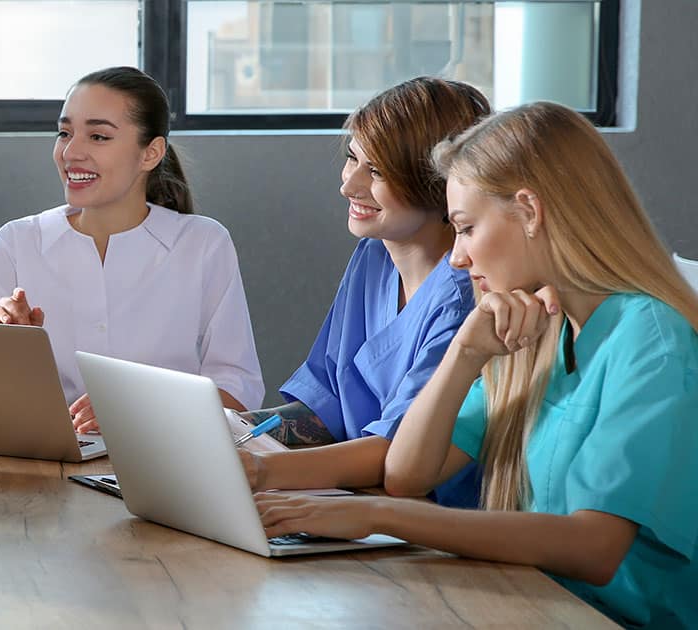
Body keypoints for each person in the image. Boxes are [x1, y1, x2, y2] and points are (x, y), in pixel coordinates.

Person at [253, 102, 698, 628]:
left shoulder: (649, 338)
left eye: (464, 228)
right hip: (526, 602)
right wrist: (465, 354)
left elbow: (593, 547)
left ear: (530, 211)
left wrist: (377, 516)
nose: (458, 258)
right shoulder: (539, 324)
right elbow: (407, 472)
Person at [238, 77, 489, 508]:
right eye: (352, 159)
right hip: (359, 502)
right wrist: (229, 429)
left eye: (375, 171)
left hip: (430, 523)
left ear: (437, 180)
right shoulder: (372, 257)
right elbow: (326, 407)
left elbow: (397, 454)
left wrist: (258, 471)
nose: (349, 186)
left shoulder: (465, 298)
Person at [0, 66, 263, 432]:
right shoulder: (17, 243)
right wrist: (6, 351)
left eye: (98, 136)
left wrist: (139, 406)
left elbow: (240, 393)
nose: (71, 152)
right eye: (64, 133)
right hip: (45, 463)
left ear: (151, 153)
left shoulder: (203, 244)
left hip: (167, 459)